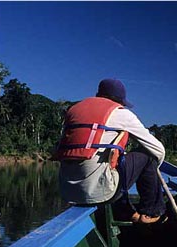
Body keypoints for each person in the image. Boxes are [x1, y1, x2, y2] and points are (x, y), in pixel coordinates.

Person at [55, 78, 166, 224]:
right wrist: (150, 171)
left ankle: (127, 212)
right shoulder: (121, 113)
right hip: (102, 191)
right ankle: (151, 211)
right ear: (120, 101)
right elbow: (158, 149)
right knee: (148, 155)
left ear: (98, 94)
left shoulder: (73, 111)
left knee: (114, 162)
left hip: (67, 191)